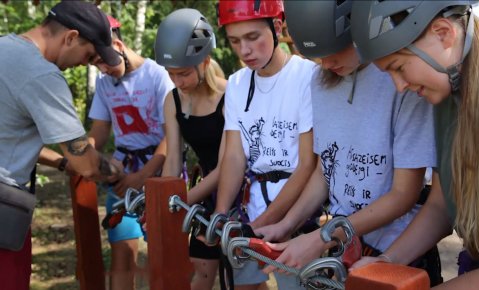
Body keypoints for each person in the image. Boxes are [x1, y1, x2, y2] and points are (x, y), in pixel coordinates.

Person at [256, 0, 440, 285]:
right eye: (316, 55)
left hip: (398, 250)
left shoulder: (401, 77)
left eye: (333, 50)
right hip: (341, 249)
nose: (326, 63)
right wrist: (285, 225)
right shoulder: (320, 81)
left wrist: (322, 237)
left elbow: (404, 194)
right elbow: (324, 171)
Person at [348, 1, 479, 289]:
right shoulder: (447, 100)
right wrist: (386, 262)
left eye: (398, 67)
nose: (399, 87)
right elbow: (440, 206)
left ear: (444, 33)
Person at [0, 1, 123, 290]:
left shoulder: (5, 48)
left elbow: (11, 137)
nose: (85, 63)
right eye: (88, 55)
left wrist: (60, 162)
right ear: (70, 37)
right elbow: (86, 163)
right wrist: (112, 171)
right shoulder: (41, 74)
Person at [214, 0, 317, 289]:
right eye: (235, 41)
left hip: (297, 213)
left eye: (253, 37)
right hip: (249, 209)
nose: (244, 50)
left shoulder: (307, 77)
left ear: (277, 27)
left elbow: (308, 163)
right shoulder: (236, 84)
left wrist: (258, 226)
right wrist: (221, 216)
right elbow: (234, 156)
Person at [87, 15, 174, 290]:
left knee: (163, 256)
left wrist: (144, 176)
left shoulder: (158, 76)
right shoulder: (103, 84)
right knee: (121, 254)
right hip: (122, 176)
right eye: (94, 63)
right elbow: (100, 130)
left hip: (160, 173)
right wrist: (82, 156)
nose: (102, 69)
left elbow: (172, 136)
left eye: (103, 60)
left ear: (118, 45)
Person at [154, 8, 226, 290]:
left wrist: (181, 200)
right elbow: (173, 159)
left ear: (205, 61)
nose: (177, 82)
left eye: (183, 73)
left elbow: (229, 165)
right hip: (201, 194)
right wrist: (165, 198)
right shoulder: (173, 100)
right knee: (198, 276)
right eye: (171, 74)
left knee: (244, 280)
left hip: (238, 191)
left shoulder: (230, 95)